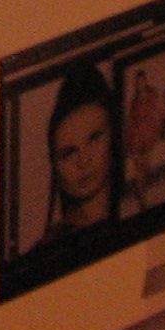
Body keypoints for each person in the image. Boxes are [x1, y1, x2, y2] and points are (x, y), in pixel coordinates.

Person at [38, 61, 120, 249]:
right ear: (54, 165)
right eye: (68, 153)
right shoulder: (47, 249)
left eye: (94, 138)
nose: (83, 161)